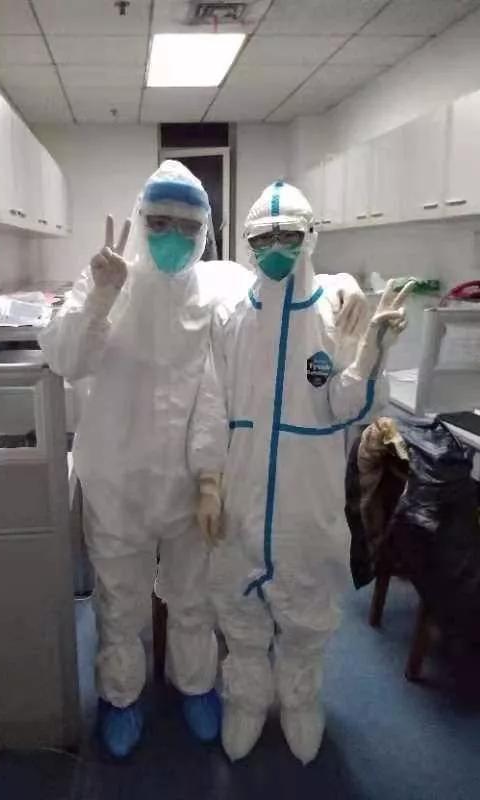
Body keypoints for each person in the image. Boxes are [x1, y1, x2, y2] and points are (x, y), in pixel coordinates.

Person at [39, 161, 369, 759]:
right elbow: (64, 358)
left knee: (194, 599)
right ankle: (121, 697)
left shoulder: (217, 288)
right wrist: (99, 299)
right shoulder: (107, 278)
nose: (173, 236)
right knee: (120, 602)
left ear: (206, 232)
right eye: (159, 223)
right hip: (116, 484)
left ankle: (194, 686)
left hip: (191, 487)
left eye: (187, 227)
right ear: (140, 220)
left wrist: (345, 284)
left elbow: (285, 275)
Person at [191, 180, 412, 764]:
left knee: (307, 607)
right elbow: (210, 403)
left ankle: (299, 699)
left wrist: (370, 353)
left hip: (306, 496)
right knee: (237, 605)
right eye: (263, 239)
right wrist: (208, 481)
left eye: (289, 236)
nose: (276, 249)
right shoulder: (231, 316)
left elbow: (350, 408)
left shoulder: (334, 313)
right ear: (247, 244)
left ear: (311, 236)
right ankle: (246, 699)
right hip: (241, 491)